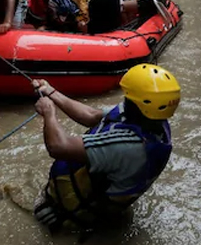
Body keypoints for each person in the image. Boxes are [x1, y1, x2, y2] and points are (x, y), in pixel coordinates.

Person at [31, 63, 180, 232]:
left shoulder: (127, 146)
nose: (124, 99)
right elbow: (91, 116)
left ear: (139, 105)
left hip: (74, 210)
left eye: (128, 97)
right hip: (100, 194)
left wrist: (49, 113)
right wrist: (51, 92)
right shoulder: (151, 120)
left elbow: (58, 147)